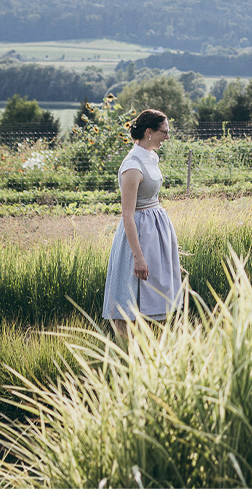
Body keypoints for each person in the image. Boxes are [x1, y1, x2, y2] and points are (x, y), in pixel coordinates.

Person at [102, 109, 185, 337]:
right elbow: (127, 215)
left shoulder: (150, 156)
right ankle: (128, 353)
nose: (167, 137)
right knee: (134, 296)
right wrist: (138, 256)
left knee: (158, 297)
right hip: (138, 235)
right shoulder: (132, 166)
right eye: (164, 132)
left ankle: (154, 349)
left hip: (155, 232)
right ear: (149, 132)